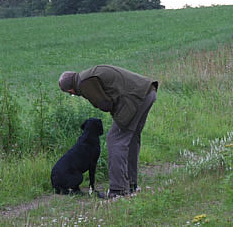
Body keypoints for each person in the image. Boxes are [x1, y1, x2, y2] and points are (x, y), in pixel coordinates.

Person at [58, 64, 158, 198]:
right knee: (131, 139)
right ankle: (131, 185)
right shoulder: (87, 75)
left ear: (71, 90)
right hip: (147, 92)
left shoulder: (84, 83)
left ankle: (118, 190)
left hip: (135, 98)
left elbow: (105, 104)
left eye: (71, 94)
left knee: (115, 141)